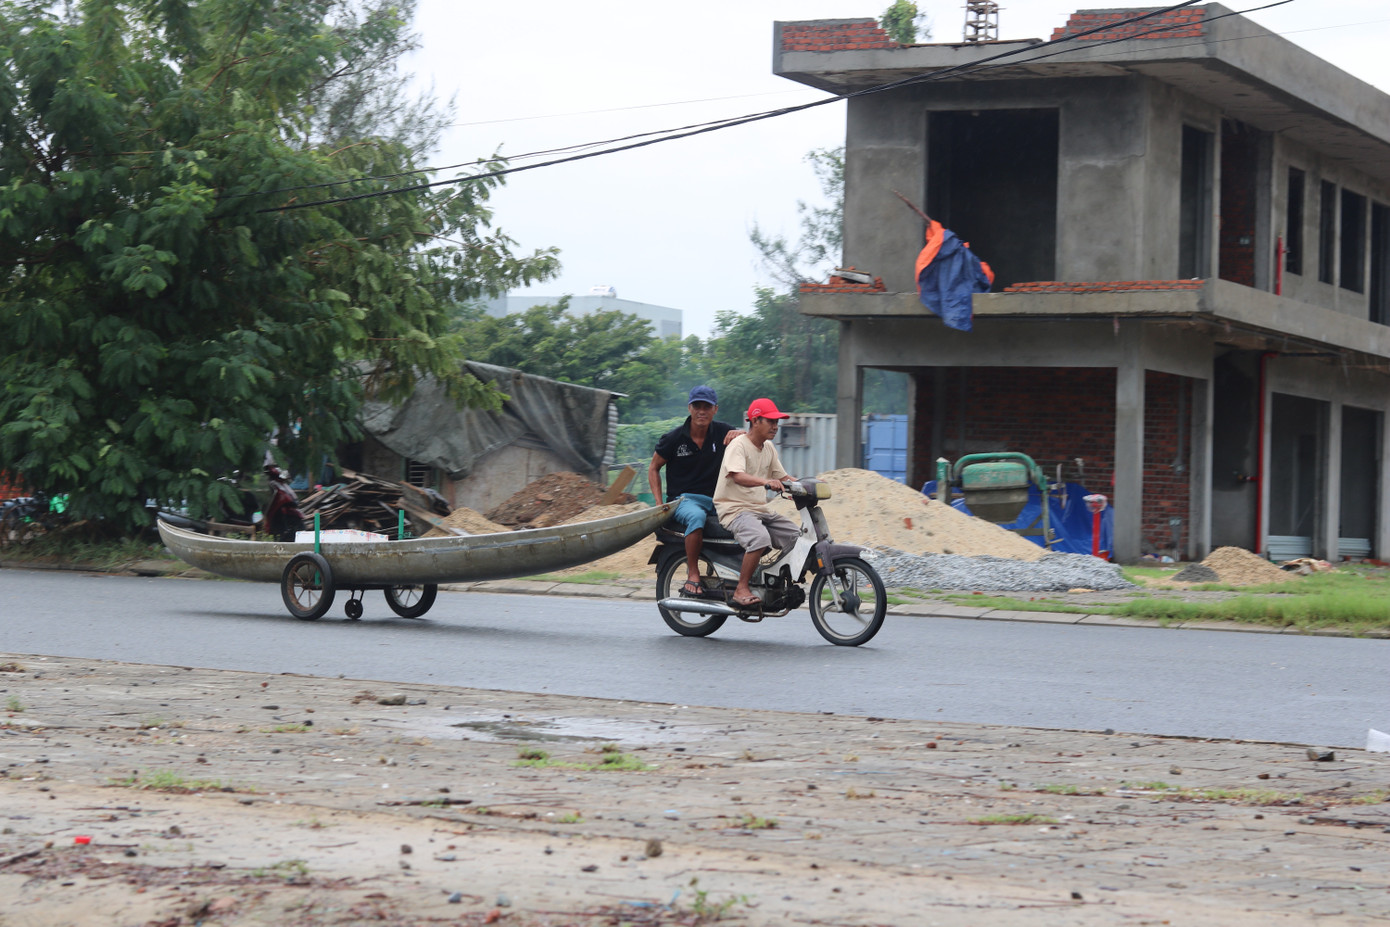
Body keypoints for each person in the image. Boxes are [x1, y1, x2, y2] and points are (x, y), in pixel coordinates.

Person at [648, 386, 743, 596]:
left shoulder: (723, 432)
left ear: (715, 409)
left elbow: (751, 441)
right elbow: (654, 468)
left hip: (717, 500)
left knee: (749, 519)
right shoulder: (673, 438)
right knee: (696, 517)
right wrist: (658, 503)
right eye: (697, 406)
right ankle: (693, 573)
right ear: (689, 408)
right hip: (684, 499)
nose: (702, 411)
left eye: (707, 406)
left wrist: (742, 433)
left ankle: (738, 577)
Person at [713, 398, 800, 608]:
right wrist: (766, 482)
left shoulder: (768, 448)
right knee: (760, 538)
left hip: (759, 510)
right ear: (755, 420)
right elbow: (737, 476)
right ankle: (741, 588)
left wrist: (809, 484)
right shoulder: (738, 445)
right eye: (770, 421)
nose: (775, 426)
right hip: (734, 509)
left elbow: (784, 478)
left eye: (777, 422)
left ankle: (774, 581)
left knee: (797, 537)